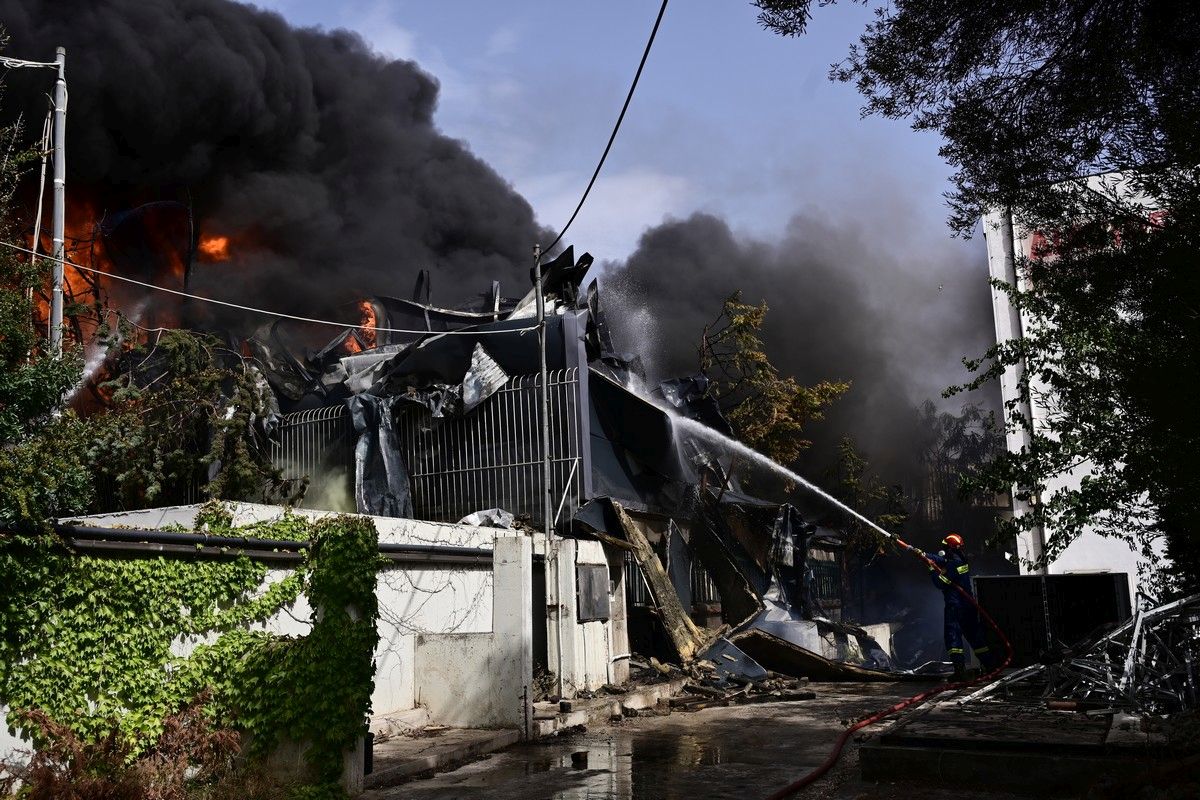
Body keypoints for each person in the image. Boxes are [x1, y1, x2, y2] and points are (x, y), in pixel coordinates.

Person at [925, 533, 996, 678]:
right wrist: (924, 554)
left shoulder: (953, 565)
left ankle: (959, 671)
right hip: (968, 606)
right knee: (975, 637)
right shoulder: (960, 560)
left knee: (953, 636)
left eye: (945, 547)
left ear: (949, 549)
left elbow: (940, 583)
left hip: (955, 606)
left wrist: (931, 570)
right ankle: (991, 667)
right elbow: (943, 559)